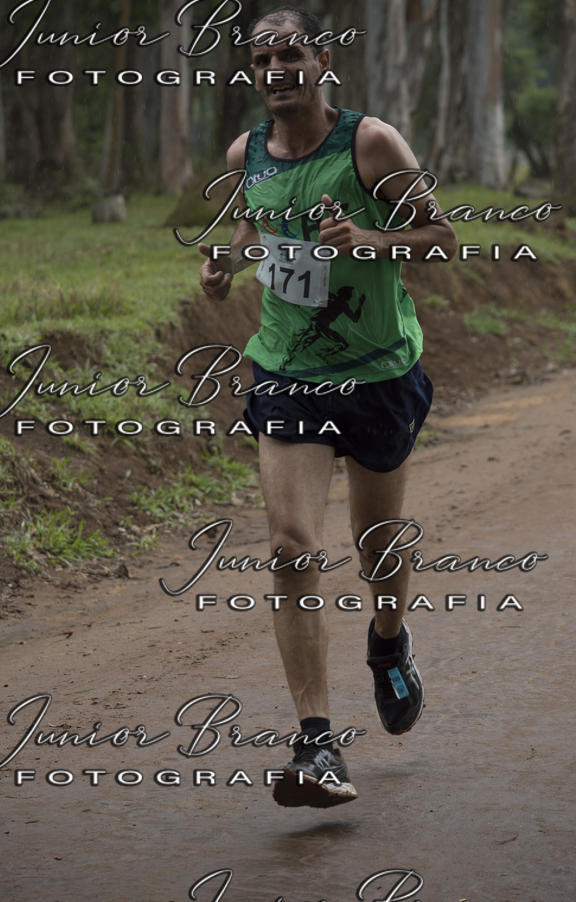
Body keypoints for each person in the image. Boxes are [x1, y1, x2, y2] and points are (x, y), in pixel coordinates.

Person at [198, 6, 458, 808]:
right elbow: (251, 227)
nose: (275, 68)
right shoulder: (247, 152)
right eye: (260, 58)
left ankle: (389, 643)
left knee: (376, 546)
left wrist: (374, 243)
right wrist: (226, 264)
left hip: (378, 369)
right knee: (288, 546)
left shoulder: (371, 144)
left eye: (291, 53)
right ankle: (315, 743)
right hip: (288, 372)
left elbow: (442, 238)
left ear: (322, 61)